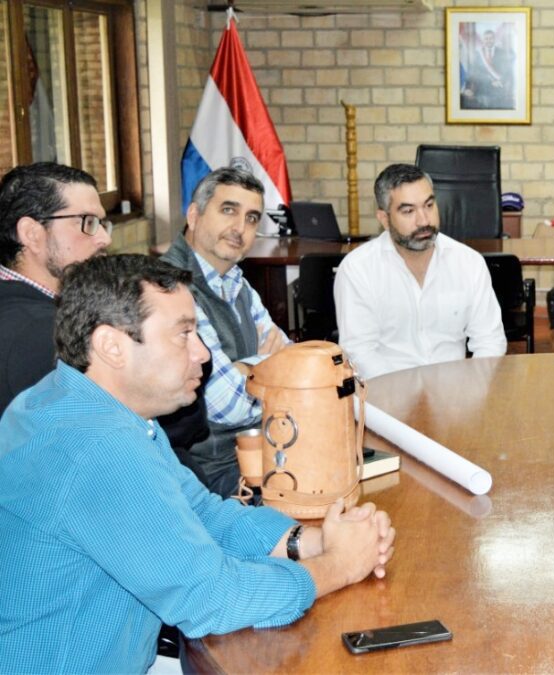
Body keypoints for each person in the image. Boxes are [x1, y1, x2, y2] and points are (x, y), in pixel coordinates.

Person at [0, 254, 395, 672]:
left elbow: (201, 513)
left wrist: (310, 542)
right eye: (184, 334)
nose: (203, 353)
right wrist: (339, 566)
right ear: (111, 346)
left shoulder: (72, 402)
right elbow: (212, 599)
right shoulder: (96, 446)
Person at [160, 167, 290, 497]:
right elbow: (228, 405)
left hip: (264, 453)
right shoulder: (170, 286)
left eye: (251, 218)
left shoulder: (236, 282)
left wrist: (245, 369)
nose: (240, 228)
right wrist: (268, 363)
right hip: (210, 474)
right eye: (228, 210)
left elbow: (296, 366)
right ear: (194, 215)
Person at [334, 163, 506, 379]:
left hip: (455, 391)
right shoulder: (358, 269)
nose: (424, 220)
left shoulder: (468, 262)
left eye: (429, 205)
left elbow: (490, 340)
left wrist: (471, 387)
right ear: (384, 219)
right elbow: (359, 352)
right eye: (408, 211)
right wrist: (405, 396)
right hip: (387, 392)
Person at [0, 162, 112, 415]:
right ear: (31, 233)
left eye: (102, 223)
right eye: (88, 222)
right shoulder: (41, 333)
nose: (105, 239)